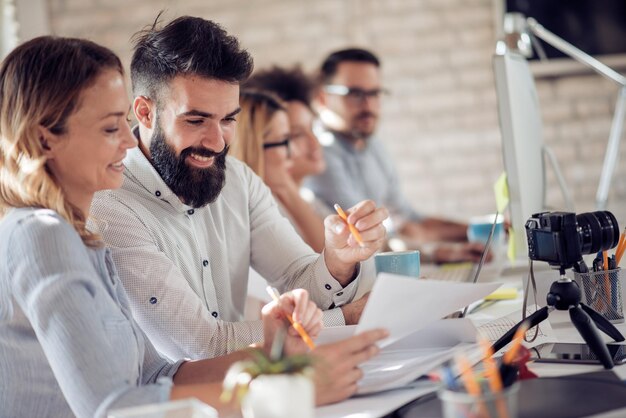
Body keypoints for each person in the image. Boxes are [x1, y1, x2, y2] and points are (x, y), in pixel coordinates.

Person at [0, 35, 388, 418]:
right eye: (108, 129)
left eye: (122, 124)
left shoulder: (78, 235)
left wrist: (273, 349)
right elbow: (113, 409)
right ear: (44, 139)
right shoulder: (42, 234)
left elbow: (157, 375)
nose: (129, 142)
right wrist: (290, 392)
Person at [91, 16, 387, 362]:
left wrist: (337, 259)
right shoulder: (109, 206)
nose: (217, 142)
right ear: (144, 112)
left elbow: (296, 278)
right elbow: (203, 347)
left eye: (228, 119)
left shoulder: (239, 179)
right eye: (196, 120)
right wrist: (346, 319)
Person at [306, 48, 488, 264]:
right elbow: (365, 237)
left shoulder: (374, 148)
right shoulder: (319, 155)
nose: (369, 105)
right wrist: (436, 253)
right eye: (355, 94)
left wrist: (480, 230)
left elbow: (410, 222)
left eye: (375, 93)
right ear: (323, 99)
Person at [230, 89, 326, 252]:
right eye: (284, 140)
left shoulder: (287, 199)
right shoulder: (249, 217)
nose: (293, 152)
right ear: (253, 148)